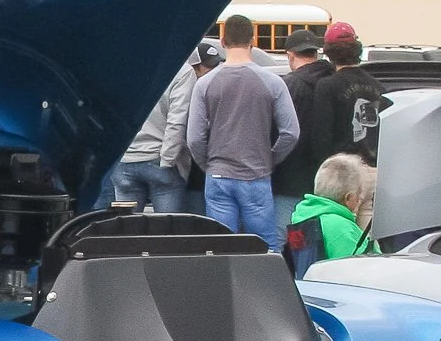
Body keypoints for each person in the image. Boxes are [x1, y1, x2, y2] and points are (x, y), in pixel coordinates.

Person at [185, 13, 298, 240]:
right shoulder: (273, 82)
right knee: (264, 246)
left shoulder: (205, 84)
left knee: (221, 245)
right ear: (252, 41)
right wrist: (270, 159)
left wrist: (209, 164)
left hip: (218, 176)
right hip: (256, 174)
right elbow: (291, 132)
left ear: (223, 42)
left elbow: (194, 138)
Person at [107, 57, 194, 212]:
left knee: (127, 231)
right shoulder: (181, 70)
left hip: (124, 158)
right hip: (159, 159)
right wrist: (168, 160)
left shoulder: (119, 67)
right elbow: (177, 122)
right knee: (168, 231)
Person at [271, 29, 333, 228]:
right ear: (315, 53)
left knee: (284, 239)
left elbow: (275, 130)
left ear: (290, 55)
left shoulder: (288, 86)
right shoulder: (333, 82)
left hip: (289, 179)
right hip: (328, 180)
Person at [284, 154, 379, 276]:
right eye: (359, 194)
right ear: (348, 198)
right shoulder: (340, 227)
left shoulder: (302, 217)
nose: (360, 199)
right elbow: (364, 271)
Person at [306, 22, 385, 166]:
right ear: (357, 49)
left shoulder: (327, 86)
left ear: (329, 53)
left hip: (340, 170)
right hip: (373, 169)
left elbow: (321, 137)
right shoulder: (378, 87)